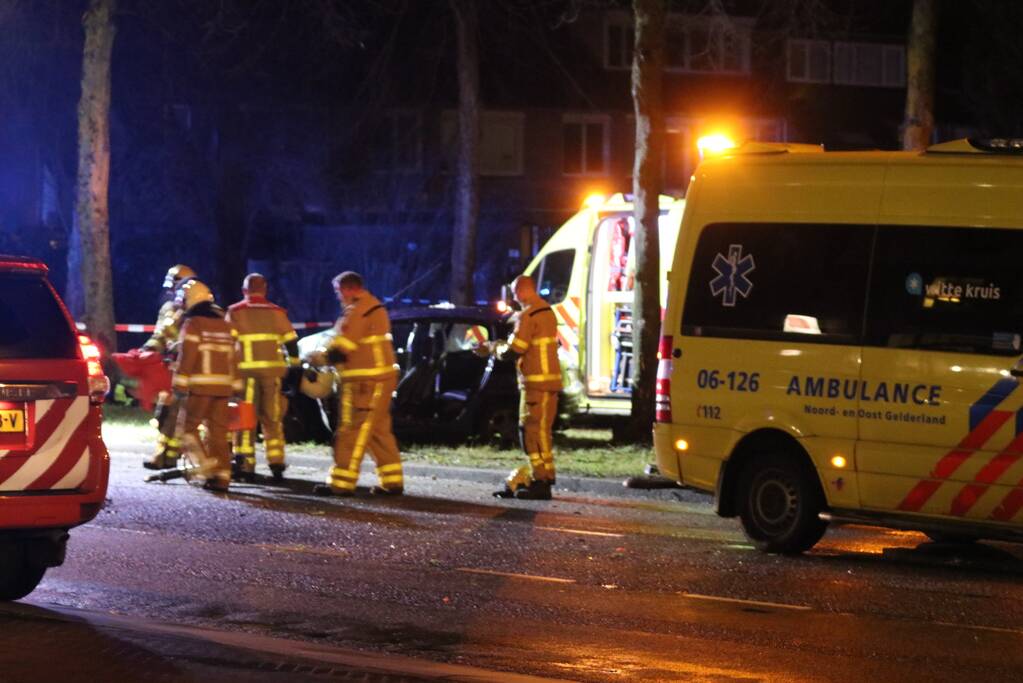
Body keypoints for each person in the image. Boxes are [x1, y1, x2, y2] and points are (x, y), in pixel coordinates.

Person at [309, 272, 403, 497]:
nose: (338, 296)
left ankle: (341, 483)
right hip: (380, 380)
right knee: (378, 431)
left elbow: (342, 348)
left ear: (348, 289)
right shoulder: (374, 307)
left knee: (351, 431)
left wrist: (318, 358)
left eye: (338, 291)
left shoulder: (357, 310)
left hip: (364, 382)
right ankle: (393, 481)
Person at [476, 275, 562, 500]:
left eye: (515, 292)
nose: (514, 297)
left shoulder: (527, 316)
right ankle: (544, 476)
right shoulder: (547, 312)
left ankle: (540, 479)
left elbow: (513, 350)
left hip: (534, 383)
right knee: (542, 432)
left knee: (530, 432)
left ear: (523, 291)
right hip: (550, 382)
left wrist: (491, 347)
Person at [225, 273, 301, 481]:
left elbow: (227, 344)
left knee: (245, 419)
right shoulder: (277, 312)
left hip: (246, 375)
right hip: (272, 375)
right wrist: (294, 367)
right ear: (265, 289)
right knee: (272, 418)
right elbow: (291, 342)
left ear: (245, 290)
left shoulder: (235, 312)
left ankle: (245, 464)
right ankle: (276, 463)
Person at [172, 280, 241, 492]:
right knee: (218, 433)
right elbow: (235, 356)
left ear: (191, 299)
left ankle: (205, 467)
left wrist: (180, 382)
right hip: (223, 387)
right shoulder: (225, 324)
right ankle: (222, 477)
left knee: (187, 429)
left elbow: (188, 356)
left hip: (200, 386)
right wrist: (236, 384)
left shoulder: (193, 323)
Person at [143, 264, 197, 470]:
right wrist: (147, 350)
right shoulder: (168, 309)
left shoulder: (198, 311)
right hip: (170, 368)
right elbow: (160, 335)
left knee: (179, 414)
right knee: (164, 413)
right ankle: (163, 453)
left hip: (189, 369)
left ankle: (170, 455)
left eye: (177, 286)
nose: (173, 290)